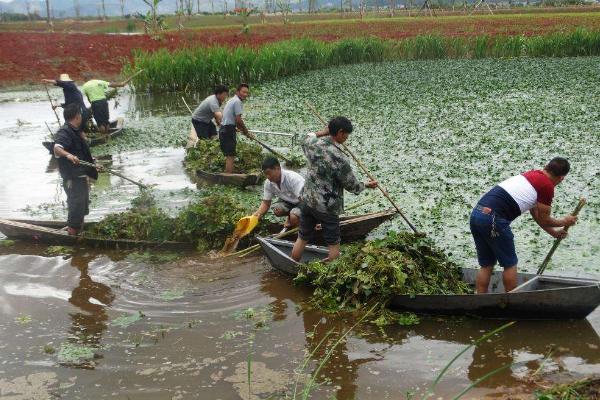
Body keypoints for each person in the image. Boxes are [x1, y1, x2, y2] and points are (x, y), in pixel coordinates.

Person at [470, 157, 577, 294]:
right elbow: (545, 219)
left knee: (486, 264)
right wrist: (565, 221)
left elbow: (535, 213)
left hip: (477, 214)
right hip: (494, 219)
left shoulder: (532, 175)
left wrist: (553, 232)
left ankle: (480, 300)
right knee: (510, 264)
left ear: (547, 167)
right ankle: (511, 303)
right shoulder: (546, 185)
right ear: (562, 178)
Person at [291, 117, 378, 262]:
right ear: (340, 132)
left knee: (302, 237)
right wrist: (366, 185)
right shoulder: (340, 157)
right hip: (327, 206)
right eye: (346, 135)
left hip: (308, 200)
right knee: (333, 242)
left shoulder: (312, 144)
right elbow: (352, 185)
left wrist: (323, 132)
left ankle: (292, 263)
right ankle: (331, 272)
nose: (346, 138)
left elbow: (305, 136)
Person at [53, 104, 101, 236]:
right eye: (80, 114)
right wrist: (68, 155)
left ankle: (79, 236)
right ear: (77, 116)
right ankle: (72, 238)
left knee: (83, 207)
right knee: (76, 208)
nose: (81, 116)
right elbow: (57, 148)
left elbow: (81, 154)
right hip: (73, 179)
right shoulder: (65, 131)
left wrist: (94, 163)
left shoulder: (76, 131)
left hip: (81, 176)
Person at [253, 156, 305, 230]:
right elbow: (265, 203)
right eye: (265, 174)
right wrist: (255, 217)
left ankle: (304, 231)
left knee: (294, 216)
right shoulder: (268, 183)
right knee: (277, 210)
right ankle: (291, 219)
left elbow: (307, 202)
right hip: (289, 202)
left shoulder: (293, 179)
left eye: (269, 173)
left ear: (278, 168)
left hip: (303, 202)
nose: (268, 177)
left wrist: (313, 220)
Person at [219, 83, 253, 173]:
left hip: (224, 129)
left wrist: (236, 127)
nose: (245, 94)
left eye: (247, 93)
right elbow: (238, 120)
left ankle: (228, 174)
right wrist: (246, 132)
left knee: (229, 155)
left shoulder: (232, 100)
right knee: (231, 155)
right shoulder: (237, 101)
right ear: (238, 92)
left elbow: (228, 117)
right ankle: (229, 177)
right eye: (243, 92)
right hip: (228, 130)